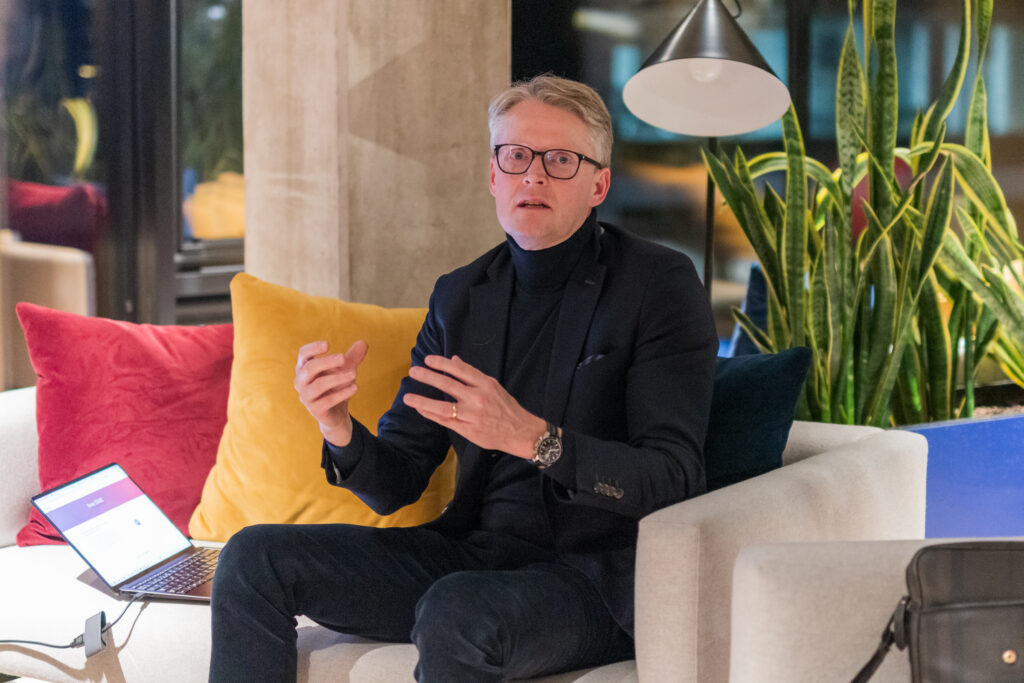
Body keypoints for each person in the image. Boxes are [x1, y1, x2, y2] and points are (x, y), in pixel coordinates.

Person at [209, 75, 717, 682]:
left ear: (598, 185)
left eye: (560, 160)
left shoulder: (657, 285)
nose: (534, 176)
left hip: (590, 576)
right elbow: (397, 479)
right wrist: (337, 427)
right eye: (516, 156)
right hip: (471, 553)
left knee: (457, 610)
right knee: (253, 556)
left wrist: (535, 439)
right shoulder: (462, 296)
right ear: (493, 176)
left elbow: (673, 477)